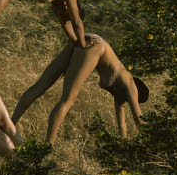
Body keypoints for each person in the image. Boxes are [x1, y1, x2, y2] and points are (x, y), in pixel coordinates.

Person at [12, 34, 149, 143]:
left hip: (87, 39)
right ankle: (47, 147)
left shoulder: (119, 92)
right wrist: (153, 141)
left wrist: (123, 145)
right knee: (67, 100)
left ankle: (9, 127)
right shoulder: (130, 81)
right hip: (95, 46)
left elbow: (122, 125)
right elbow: (139, 119)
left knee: (39, 88)